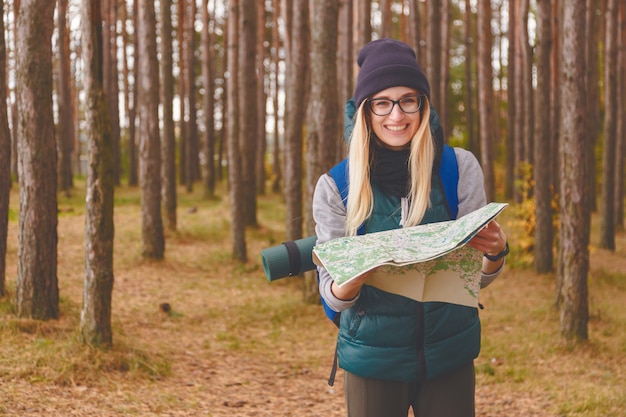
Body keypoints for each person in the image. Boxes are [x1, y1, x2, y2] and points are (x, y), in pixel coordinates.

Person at [312, 38, 508, 417]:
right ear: (365, 111)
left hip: (450, 355)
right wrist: (348, 281)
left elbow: (477, 281)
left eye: (407, 100)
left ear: (423, 104)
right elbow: (331, 298)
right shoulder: (336, 185)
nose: (396, 115)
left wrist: (495, 253)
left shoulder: (458, 168)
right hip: (372, 362)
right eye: (382, 102)